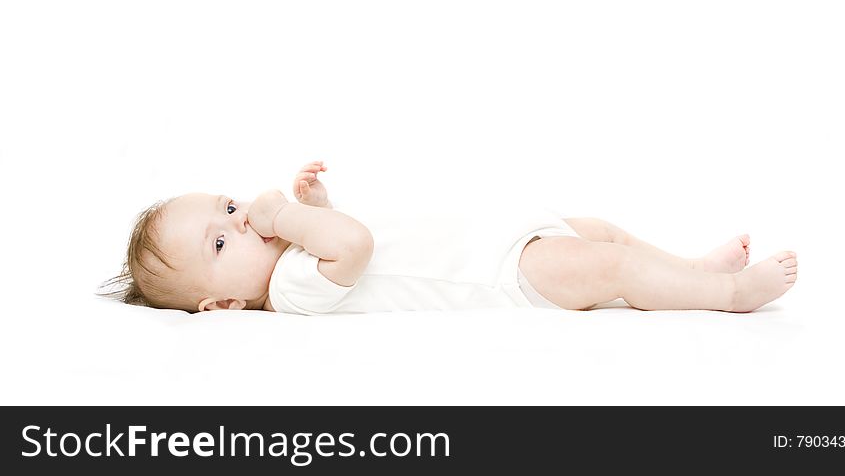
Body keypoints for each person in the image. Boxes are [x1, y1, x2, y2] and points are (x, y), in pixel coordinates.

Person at [99, 160, 797, 314]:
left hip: (501, 240)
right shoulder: (287, 290)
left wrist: (317, 203)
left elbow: (343, 232)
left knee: (604, 231)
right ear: (221, 306)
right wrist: (287, 216)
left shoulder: (293, 256)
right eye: (219, 245)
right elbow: (357, 248)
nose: (239, 220)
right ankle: (728, 292)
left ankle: (689, 267)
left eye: (226, 205)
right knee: (609, 264)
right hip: (504, 278)